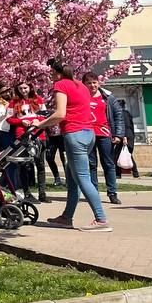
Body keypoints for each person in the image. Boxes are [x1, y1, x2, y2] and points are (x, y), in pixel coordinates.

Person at [40, 59, 111, 232]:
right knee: (72, 176)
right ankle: (66, 217)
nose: (50, 77)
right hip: (88, 134)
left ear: (57, 73)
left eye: (51, 74)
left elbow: (60, 114)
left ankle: (101, 219)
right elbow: (75, 108)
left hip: (75, 134)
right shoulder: (81, 85)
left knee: (82, 178)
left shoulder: (61, 85)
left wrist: (40, 124)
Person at [83, 73, 121, 205]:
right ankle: (94, 193)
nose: (92, 85)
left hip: (104, 134)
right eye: (89, 83)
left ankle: (112, 192)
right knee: (91, 165)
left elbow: (118, 116)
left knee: (109, 164)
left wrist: (118, 134)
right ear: (84, 85)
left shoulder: (108, 97)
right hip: (88, 134)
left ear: (98, 83)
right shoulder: (82, 97)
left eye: (94, 82)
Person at [7, 83, 47, 203]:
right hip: (22, 134)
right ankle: (27, 192)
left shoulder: (38, 100)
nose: (23, 90)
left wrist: (37, 120)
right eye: (20, 88)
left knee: (40, 164)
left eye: (25, 88)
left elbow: (45, 115)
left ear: (30, 88)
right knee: (24, 164)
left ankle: (42, 193)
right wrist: (21, 121)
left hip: (38, 134)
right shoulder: (14, 102)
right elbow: (9, 119)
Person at [113, 97, 140, 179]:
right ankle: (135, 173)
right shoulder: (127, 113)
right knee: (127, 155)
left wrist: (124, 137)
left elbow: (125, 125)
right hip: (129, 136)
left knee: (117, 155)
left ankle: (118, 174)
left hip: (125, 137)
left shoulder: (121, 113)